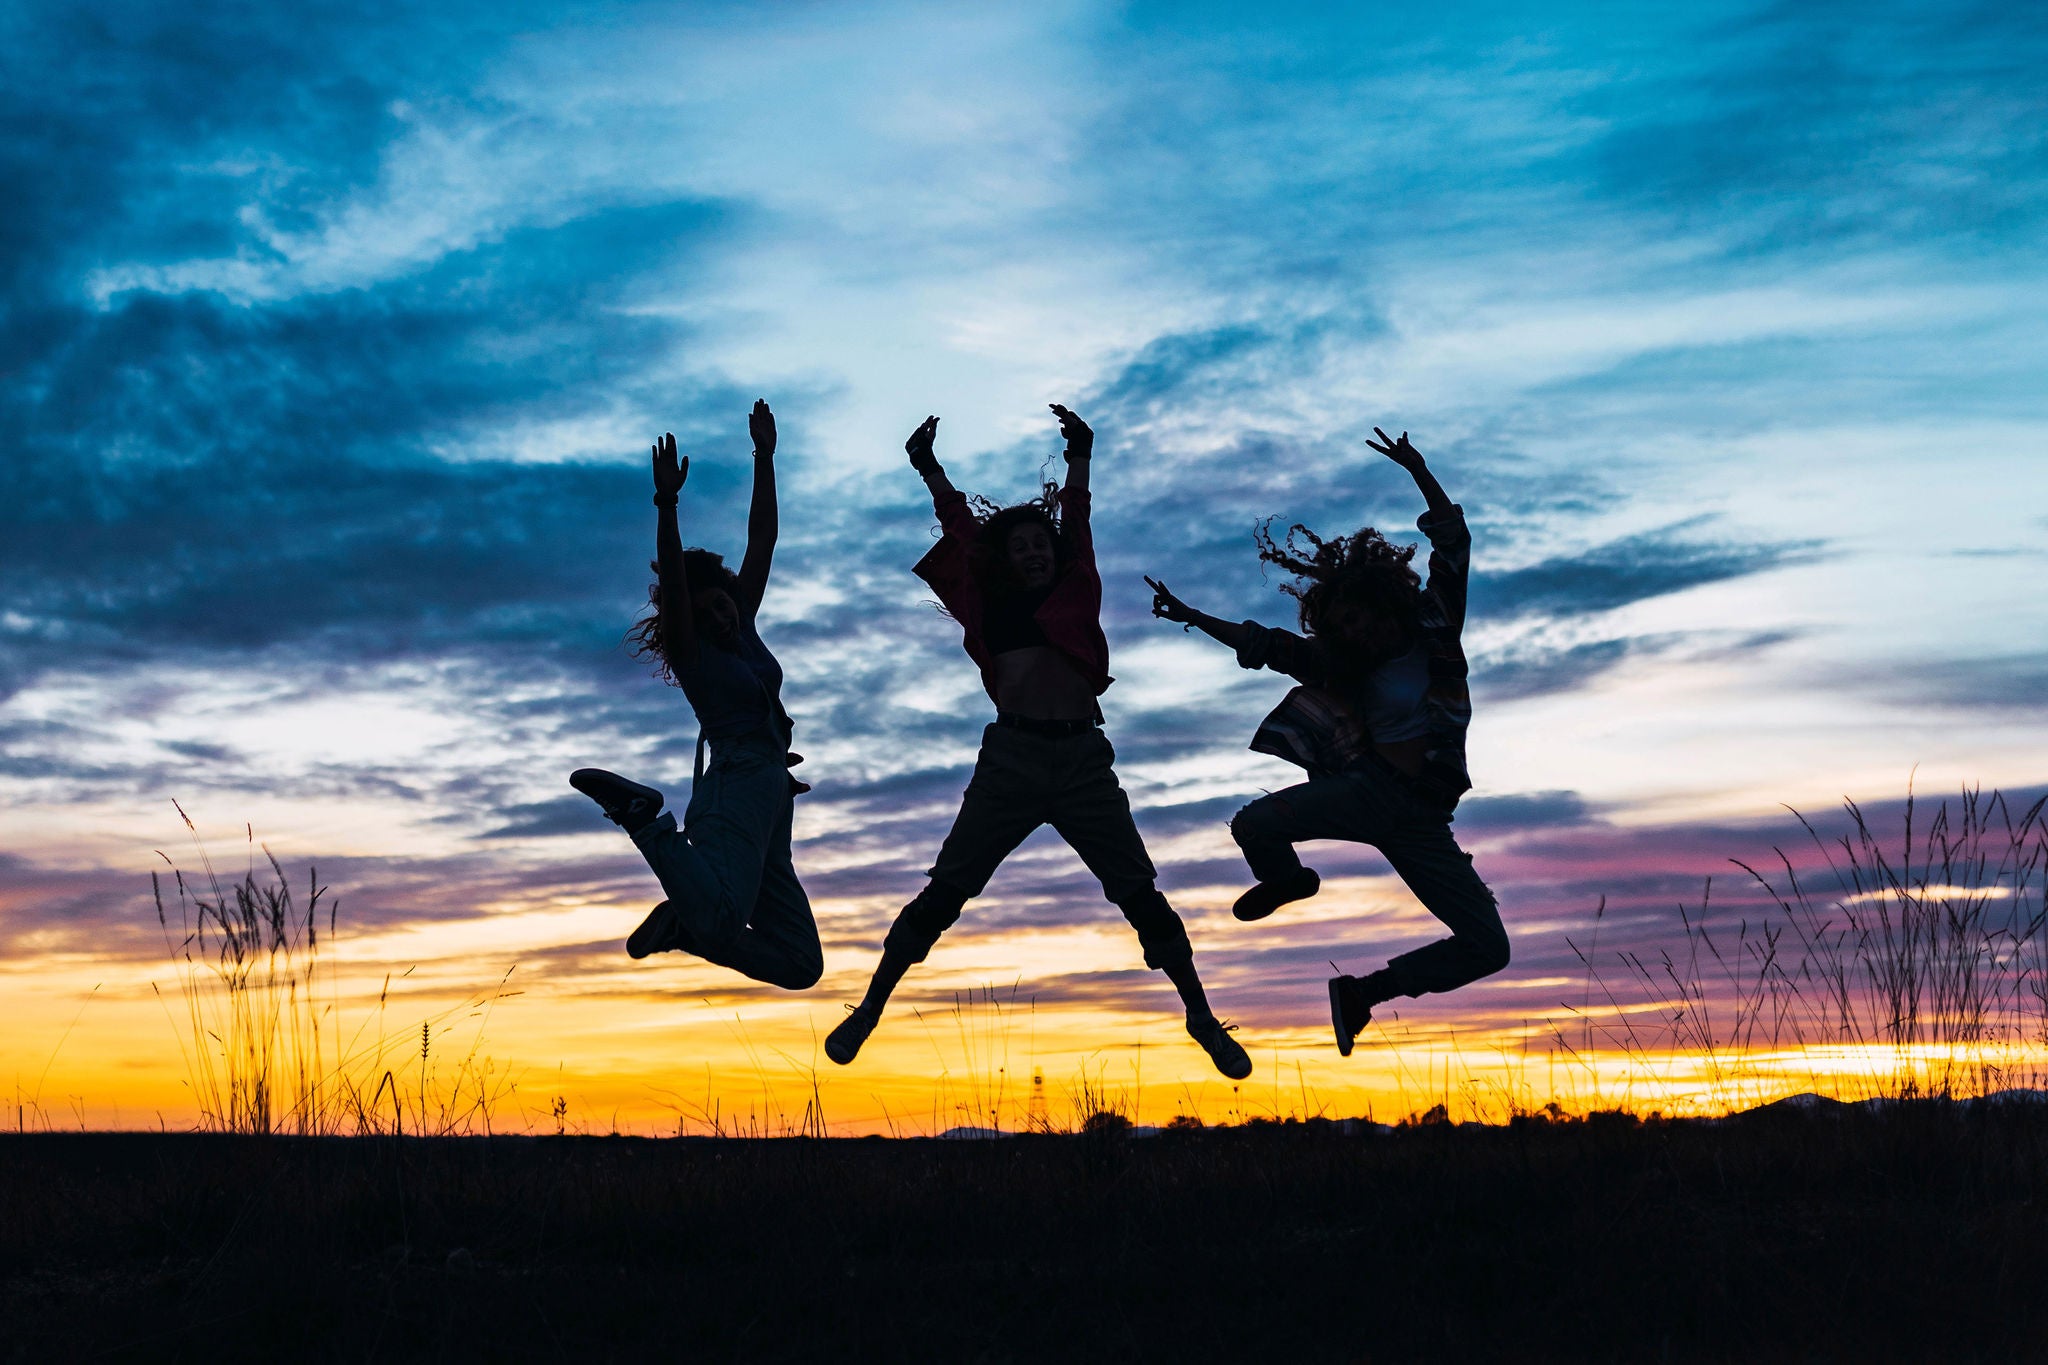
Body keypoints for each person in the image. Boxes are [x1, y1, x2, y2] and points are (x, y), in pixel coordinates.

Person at [825, 405, 1252, 1079]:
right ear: (1005, 557)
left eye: (1040, 545)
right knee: (945, 891)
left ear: (1055, 555)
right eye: (1019, 545)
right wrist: (929, 468)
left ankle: (1201, 1015)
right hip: (1012, 760)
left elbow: (1077, 517)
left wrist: (1081, 451)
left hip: (1083, 761)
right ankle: (871, 1007)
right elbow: (961, 530)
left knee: (1140, 893)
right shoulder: (989, 601)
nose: (1031, 551)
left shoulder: (1076, 587)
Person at [1144, 427, 1509, 1055]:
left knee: (1488, 947)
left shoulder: (1435, 626)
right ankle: (1291, 883)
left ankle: (1364, 994)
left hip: (1421, 817)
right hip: (1366, 791)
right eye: (1340, 627)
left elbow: (1453, 542)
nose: (1354, 633)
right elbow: (1271, 648)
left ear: (1382, 602)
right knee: (1254, 825)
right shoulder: (1344, 664)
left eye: (1358, 618)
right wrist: (1194, 617)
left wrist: (1419, 470)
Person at [567, 400, 823, 991]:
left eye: (724, 601)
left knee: (801, 965)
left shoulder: (746, 625)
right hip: (731, 787)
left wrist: (765, 456)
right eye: (706, 610)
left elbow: (764, 538)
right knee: (722, 917)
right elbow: (680, 591)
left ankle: (683, 927)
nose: (720, 613)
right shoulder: (696, 657)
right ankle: (645, 822)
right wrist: (667, 504)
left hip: (770, 803)